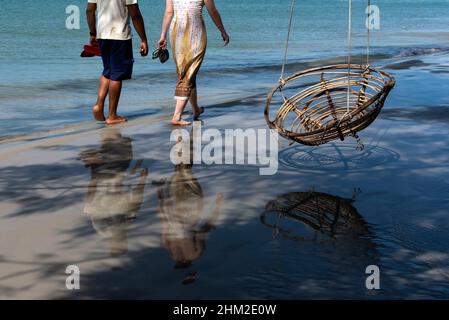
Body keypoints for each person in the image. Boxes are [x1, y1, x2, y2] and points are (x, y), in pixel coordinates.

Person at [158, 0, 230, 126]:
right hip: (195, 30)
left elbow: (169, 11)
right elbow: (212, 10)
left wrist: (163, 35)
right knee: (188, 73)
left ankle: (196, 109)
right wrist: (223, 30)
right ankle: (177, 116)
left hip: (176, 30)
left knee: (189, 71)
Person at [86, 0, 149, 125]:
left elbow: (90, 10)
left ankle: (99, 104)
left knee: (108, 71)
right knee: (117, 74)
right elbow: (135, 14)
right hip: (120, 36)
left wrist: (92, 33)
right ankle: (112, 115)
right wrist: (143, 39)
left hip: (102, 34)